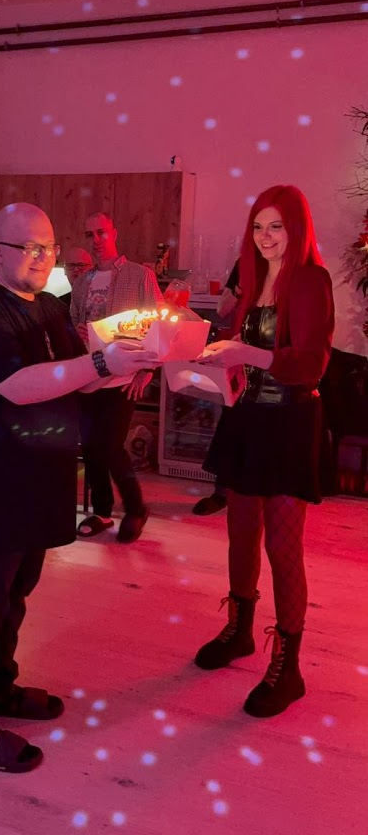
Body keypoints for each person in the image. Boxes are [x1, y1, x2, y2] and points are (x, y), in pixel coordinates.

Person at [0, 203, 155, 773]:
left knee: (15, 592)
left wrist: (137, 359)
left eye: (48, 247)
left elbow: (77, 375)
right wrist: (101, 364)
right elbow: (18, 385)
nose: (42, 257)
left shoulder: (49, 306)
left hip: (30, 483)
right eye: (29, 248)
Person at [193, 185, 334, 718]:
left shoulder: (311, 279)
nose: (266, 236)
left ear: (296, 229)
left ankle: (288, 666)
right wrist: (219, 364)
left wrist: (244, 352)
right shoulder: (253, 277)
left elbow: (312, 363)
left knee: (282, 545)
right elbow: (245, 355)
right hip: (248, 417)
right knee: (240, 533)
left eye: (276, 226)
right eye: (258, 226)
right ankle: (241, 631)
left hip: (290, 421)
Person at [71, 212, 163, 542]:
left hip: (123, 377)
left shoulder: (140, 276)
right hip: (89, 375)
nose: (96, 240)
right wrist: (77, 330)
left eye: (101, 232)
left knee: (110, 446)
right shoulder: (82, 282)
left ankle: (136, 508)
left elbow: (159, 325)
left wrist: (148, 370)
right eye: (89, 234)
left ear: (114, 233)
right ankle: (102, 511)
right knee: (92, 447)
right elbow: (74, 321)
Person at [192, 259, 241, 517]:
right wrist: (239, 290)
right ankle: (222, 492)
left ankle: (259, 495)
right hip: (239, 352)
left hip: (271, 355)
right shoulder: (244, 263)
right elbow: (222, 309)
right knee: (231, 419)